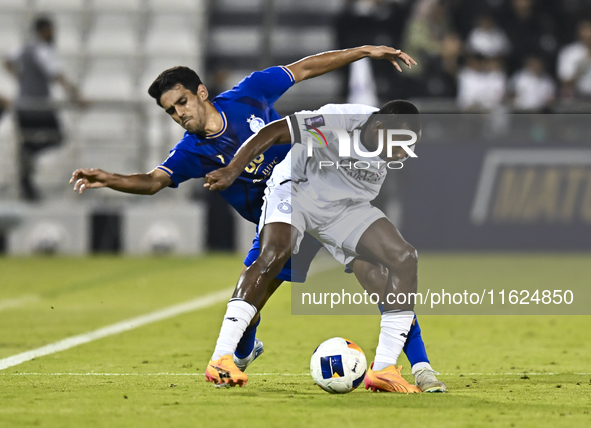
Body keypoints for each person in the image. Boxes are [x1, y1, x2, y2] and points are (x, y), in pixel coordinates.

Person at [70, 46, 445, 392]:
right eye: (170, 111)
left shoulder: (249, 94)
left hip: (325, 201)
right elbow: (153, 181)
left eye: (181, 102)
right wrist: (110, 179)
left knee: (385, 272)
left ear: (201, 92)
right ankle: (236, 354)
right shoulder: (190, 152)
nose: (179, 114)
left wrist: (363, 51)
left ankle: (415, 366)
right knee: (255, 293)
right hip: (287, 203)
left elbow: (307, 67)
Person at [204, 100, 428, 393]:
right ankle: (222, 357)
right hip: (297, 190)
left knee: (403, 257)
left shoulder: (390, 145)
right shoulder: (337, 120)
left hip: (346, 207)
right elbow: (272, 132)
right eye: (400, 143)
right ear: (379, 128)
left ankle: (383, 368)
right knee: (273, 256)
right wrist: (233, 169)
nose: (404, 152)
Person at [5, 16, 87, 201]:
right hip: (38, 106)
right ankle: (30, 152)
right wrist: (77, 98)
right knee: (56, 137)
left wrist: (21, 79)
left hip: (23, 105)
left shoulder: (25, 48)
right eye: (50, 30)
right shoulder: (43, 50)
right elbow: (58, 76)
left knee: (28, 139)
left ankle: (27, 182)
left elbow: (8, 61)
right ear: (43, 30)